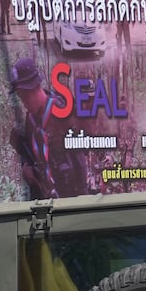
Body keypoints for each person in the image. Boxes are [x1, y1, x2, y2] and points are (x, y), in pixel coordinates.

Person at [8, 56, 88, 200]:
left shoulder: (61, 112)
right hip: (46, 198)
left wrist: (83, 200)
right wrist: (26, 167)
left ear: (36, 87)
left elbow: (79, 161)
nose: (24, 102)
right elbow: (31, 152)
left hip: (70, 196)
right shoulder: (31, 119)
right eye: (21, 97)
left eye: (26, 96)